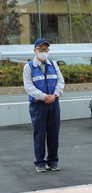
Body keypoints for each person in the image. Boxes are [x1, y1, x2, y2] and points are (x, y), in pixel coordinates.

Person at [23, 38, 65, 173]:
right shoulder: (29, 67)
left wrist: (55, 95)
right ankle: (40, 162)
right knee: (39, 135)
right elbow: (29, 87)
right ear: (35, 50)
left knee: (54, 134)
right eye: (40, 49)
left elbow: (61, 81)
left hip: (53, 103)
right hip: (38, 105)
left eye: (46, 49)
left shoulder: (53, 64)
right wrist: (43, 96)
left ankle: (53, 161)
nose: (43, 52)